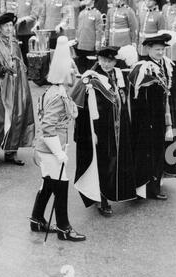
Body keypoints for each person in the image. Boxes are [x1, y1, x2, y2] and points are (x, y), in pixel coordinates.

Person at [30, 36, 85, 242]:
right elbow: (47, 127)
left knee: (48, 183)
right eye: (72, 69)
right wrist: (59, 152)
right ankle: (64, 228)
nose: (75, 72)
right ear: (63, 72)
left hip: (47, 147)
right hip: (51, 148)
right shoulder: (58, 95)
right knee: (61, 185)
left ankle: (36, 219)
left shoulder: (56, 90)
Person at [71, 45, 137, 217]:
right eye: (103, 60)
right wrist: (89, 132)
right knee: (101, 163)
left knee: (116, 161)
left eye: (110, 61)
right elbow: (77, 104)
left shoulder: (118, 74)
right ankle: (101, 198)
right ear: (98, 60)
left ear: (115, 61)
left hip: (118, 126)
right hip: (100, 129)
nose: (106, 64)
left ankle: (116, 191)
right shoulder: (90, 78)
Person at [129, 32, 176, 200]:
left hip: (163, 115)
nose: (160, 53)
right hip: (148, 118)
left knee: (160, 151)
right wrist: (145, 120)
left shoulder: (166, 64)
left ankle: (157, 182)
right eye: (157, 50)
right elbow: (138, 99)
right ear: (148, 48)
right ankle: (147, 187)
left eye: (162, 50)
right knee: (149, 152)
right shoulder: (143, 67)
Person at [0, 12, 34, 167]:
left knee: (17, 116)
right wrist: (2, 70)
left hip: (17, 85)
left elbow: (21, 64)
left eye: (11, 25)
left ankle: (11, 152)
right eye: (6, 25)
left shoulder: (14, 43)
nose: (10, 28)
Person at [74, 0, 103, 73]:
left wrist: (98, 43)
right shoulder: (81, 13)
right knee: (80, 68)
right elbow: (78, 27)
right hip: (80, 45)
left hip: (90, 45)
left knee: (90, 69)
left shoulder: (97, 13)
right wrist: (76, 39)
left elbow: (99, 30)